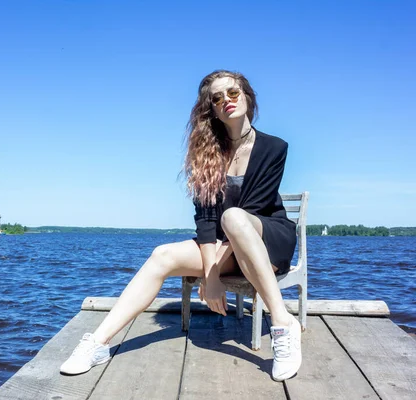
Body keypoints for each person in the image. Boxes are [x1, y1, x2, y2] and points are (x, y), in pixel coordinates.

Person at [60, 70, 301, 381]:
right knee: (162, 255)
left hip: (266, 237)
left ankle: (283, 324)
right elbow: (205, 220)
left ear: (246, 97)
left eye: (232, 93)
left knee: (234, 218)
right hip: (222, 242)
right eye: (217, 98)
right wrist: (210, 268)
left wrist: (211, 274)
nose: (226, 100)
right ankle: (97, 343)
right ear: (211, 109)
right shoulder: (207, 153)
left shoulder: (274, 147)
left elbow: (250, 210)